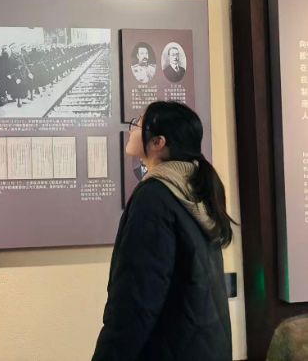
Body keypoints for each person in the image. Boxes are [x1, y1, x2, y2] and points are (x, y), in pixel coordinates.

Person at [93, 101, 233, 361]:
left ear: (158, 142)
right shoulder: (194, 191)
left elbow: (136, 298)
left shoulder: (154, 197)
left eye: (138, 124)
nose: (132, 130)